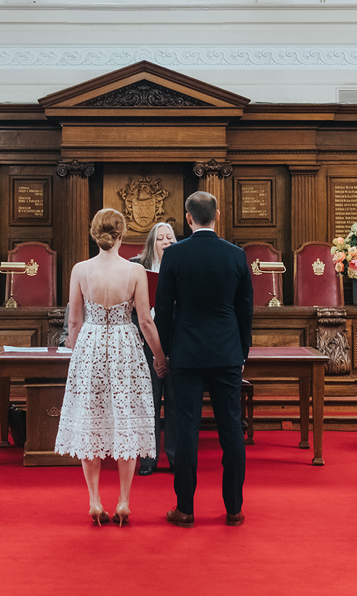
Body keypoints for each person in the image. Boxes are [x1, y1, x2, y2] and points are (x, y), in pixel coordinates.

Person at [54, 208, 167, 527]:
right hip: (125, 347)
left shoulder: (80, 270)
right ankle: (123, 501)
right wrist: (159, 356)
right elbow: (145, 320)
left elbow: (74, 321)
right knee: (126, 419)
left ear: (95, 233)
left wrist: (76, 358)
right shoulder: (134, 272)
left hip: (90, 344)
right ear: (122, 234)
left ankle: (93, 500)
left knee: (91, 419)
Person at [153, 191, 253, 528]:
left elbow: (164, 309)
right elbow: (245, 310)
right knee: (231, 432)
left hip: (186, 353)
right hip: (226, 352)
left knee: (185, 430)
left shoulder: (175, 255)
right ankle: (234, 508)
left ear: (187, 218)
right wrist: (242, 352)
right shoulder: (237, 256)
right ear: (217, 216)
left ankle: (185, 509)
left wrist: (164, 351)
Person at [130, 220, 177, 476]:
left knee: (173, 401)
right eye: (160, 238)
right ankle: (148, 459)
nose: (165, 243)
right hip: (144, 341)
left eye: (169, 238)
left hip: (174, 341)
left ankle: (175, 457)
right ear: (152, 242)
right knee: (148, 402)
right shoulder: (136, 266)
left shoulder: (181, 264)